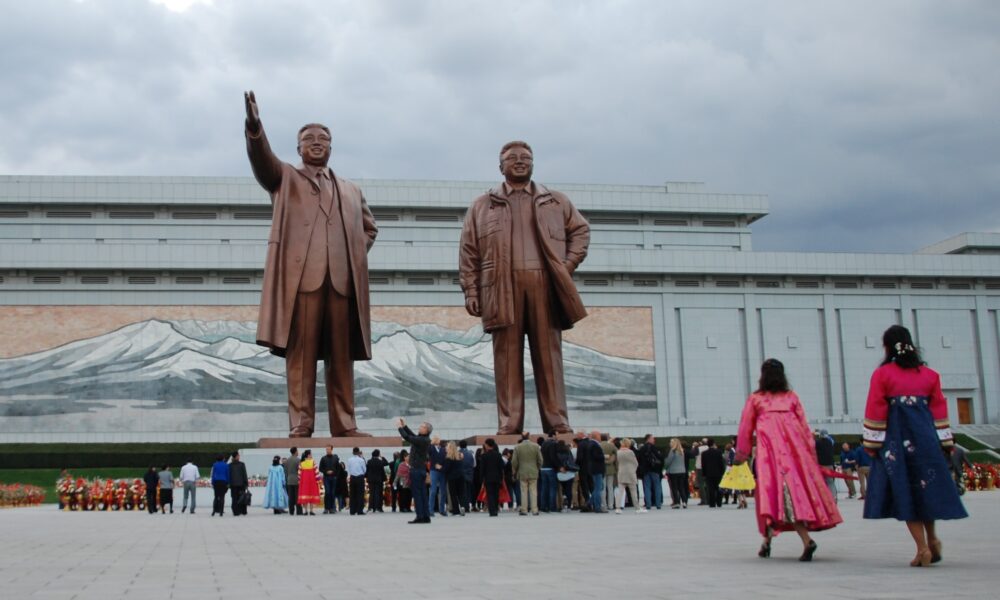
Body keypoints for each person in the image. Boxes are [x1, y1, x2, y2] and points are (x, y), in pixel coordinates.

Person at [243, 90, 378, 438]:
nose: (316, 143)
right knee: (300, 358)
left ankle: (345, 424)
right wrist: (255, 128)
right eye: (309, 139)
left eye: (323, 139)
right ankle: (301, 424)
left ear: (331, 147)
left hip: (341, 283)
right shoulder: (286, 178)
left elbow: (369, 228)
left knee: (341, 358)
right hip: (303, 282)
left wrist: (352, 254)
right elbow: (263, 162)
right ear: (298, 147)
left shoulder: (350, 190)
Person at [459, 140, 591, 435]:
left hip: (545, 286)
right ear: (500, 166)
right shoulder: (483, 205)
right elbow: (469, 251)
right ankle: (509, 422)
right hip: (501, 287)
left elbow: (580, 231)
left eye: (526, 157)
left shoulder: (555, 201)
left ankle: (557, 420)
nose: (520, 161)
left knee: (549, 356)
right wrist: (471, 290)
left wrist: (566, 266)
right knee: (506, 359)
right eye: (512, 158)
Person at [862, 325, 968, 567]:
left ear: (888, 347)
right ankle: (933, 539)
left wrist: (872, 443)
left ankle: (922, 549)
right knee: (925, 489)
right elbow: (939, 409)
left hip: (897, 441)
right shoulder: (930, 375)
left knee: (905, 493)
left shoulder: (883, 374)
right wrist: (945, 441)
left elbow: (876, 408)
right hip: (926, 441)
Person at [736, 358, 842, 561]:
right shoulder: (791, 398)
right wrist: (810, 457)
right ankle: (767, 543)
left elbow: (745, 429)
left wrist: (741, 454)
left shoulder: (756, 399)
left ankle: (804, 540)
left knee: (772, 498)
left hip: (770, 460)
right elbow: (805, 430)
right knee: (793, 497)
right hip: (795, 459)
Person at [397, 417, 433, 524]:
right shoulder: (423, 439)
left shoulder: (422, 440)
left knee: (417, 494)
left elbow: (408, 437)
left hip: (416, 470)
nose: (420, 427)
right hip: (420, 469)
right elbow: (412, 436)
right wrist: (404, 426)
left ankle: (420, 516)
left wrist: (399, 428)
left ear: (426, 430)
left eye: (422, 426)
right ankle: (426, 516)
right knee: (422, 494)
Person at [511, 432, 543, 516]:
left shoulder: (517, 447)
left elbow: (514, 461)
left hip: (522, 471)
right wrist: (537, 467)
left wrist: (515, 469)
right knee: (533, 491)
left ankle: (524, 509)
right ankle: (534, 510)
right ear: (529, 436)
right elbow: (540, 460)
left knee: (523, 491)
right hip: (533, 471)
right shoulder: (536, 446)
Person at [615, 438, 645, 514]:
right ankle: (637, 508)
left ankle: (618, 508)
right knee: (633, 491)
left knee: (620, 491)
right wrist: (633, 469)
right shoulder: (630, 452)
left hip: (621, 473)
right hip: (630, 473)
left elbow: (617, 463)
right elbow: (636, 463)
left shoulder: (618, 452)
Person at [637, 434, 664, 510]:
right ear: (648, 439)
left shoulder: (642, 449)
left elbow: (638, 460)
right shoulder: (654, 448)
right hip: (655, 470)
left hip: (645, 470)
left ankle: (648, 504)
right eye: (653, 438)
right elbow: (661, 458)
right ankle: (658, 504)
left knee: (647, 487)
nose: (654, 440)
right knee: (657, 487)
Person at [480, 439, 505, 517]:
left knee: (490, 494)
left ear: (487, 445)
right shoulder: (498, 455)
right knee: (496, 494)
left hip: (488, 478)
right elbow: (501, 467)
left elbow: (482, 469)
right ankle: (496, 509)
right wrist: (501, 478)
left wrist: (481, 478)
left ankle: (492, 511)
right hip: (497, 477)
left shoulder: (484, 456)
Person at [700, 439, 726, 508]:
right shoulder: (719, 452)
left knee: (710, 489)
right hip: (718, 473)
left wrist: (704, 474)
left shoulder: (704, 453)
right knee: (719, 488)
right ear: (713, 444)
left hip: (709, 473)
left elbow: (703, 465)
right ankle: (719, 502)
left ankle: (712, 503)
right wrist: (723, 472)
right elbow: (721, 463)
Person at [664, 438, 689, 509]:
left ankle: (677, 502)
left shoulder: (673, 451)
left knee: (674, 488)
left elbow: (668, 462)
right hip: (682, 471)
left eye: (671, 442)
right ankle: (684, 502)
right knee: (681, 487)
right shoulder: (681, 451)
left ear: (674, 443)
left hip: (673, 471)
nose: (670, 443)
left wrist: (665, 464)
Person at [444, 441, 466, 516]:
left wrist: (440, 467)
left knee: (453, 494)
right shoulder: (459, 456)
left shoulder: (448, 458)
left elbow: (446, 469)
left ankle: (456, 510)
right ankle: (462, 506)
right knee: (461, 493)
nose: (446, 448)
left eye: (447, 446)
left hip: (452, 478)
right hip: (461, 477)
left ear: (450, 448)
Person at [428, 436, 448, 517]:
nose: (438, 440)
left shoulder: (443, 449)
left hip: (442, 471)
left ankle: (442, 510)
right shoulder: (430, 448)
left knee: (443, 491)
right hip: (433, 471)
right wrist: (431, 443)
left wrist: (442, 467)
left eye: (438, 439)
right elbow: (427, 451)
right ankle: (430, 510)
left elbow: (446, 459)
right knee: (433, 491)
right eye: (436, 439)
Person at [815, 429, 837, 502]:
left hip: (822, 466)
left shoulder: (818, 443)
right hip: (830, 465)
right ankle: (833, 497)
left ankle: (824, 498)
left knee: (822, 482)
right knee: (831, 482)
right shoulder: (830, 442)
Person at [539, 432, 559, 513]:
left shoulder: (543, 444)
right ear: (553, 435)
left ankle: (543, 506)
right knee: (552, 488)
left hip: (543, 468)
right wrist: (558, 466)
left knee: (544, 488)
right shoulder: (553, 444)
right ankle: (552, 506)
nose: (558, 436)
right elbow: (553, 457)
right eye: (557, 435)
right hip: (551, 468)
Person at [297, 449, 320, 515]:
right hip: (312, 481)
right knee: (312, 495)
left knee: (305, 496)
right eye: (311, 454)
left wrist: (299, 481)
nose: (311, 455)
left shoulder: (301, 463)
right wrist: (318, 480)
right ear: (308, 455)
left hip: (304, 482)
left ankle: (305, 511)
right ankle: (311, 511)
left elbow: (299, 473)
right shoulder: (313, 462)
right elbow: (316, 471)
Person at [556, 440, 577, 511]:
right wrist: (567, 468)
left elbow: (555, 461)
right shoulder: (568, 451)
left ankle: (563, 504)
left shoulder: (556, 452)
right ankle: (569, 506)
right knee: (569, 489)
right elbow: (571, 461)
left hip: (560, 473)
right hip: (569, 473)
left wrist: (560, 468)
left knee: (562, 490)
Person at [600, 433, 618, 511]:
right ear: (607, 438)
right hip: (611, 469)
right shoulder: (611, 446)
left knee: (603, 487)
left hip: (601, 469)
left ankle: (604, 504)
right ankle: (611, 504)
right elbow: (617, 455)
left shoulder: (598, 445)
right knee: (610, 487)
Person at [346, 447, 367, 515]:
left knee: (352, 494)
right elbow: (364, 470)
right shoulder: (361, 460)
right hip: (360, 478)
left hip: (352, 478)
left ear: (353, 452)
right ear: (358, 452)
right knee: (360, 494)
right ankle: (359, 510)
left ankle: (352, 510)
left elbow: (348, 469)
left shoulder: (349, 460)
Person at [319, 446, 338, 514]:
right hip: (326, 477)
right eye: (326, 449)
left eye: (329, 449)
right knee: (327, 492)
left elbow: (338, 468)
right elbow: (320, 468)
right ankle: (326, 508)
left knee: (332, 493)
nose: (327, 450)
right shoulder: (323, 458)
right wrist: (326, 471)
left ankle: (332, 508)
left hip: (333, 478)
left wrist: (333, 471)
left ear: (332, 449)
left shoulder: (335, 458)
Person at [229, 451, 249, 516]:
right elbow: (244, 474)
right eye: (238, 455)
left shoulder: (230, 465)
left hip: (233, 485)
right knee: (242, 497)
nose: (239, 456)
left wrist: (229, 484)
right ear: (236, 456)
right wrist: (246, 483)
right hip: (241, 484)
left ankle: (235, 511)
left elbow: (229, 475)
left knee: (234, 498)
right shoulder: (242, 464)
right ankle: (243, 511)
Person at [284, 447, 302, 516]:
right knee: (297, 496)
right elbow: (300, 471)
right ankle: (299, 511)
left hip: (289, 480)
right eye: (297, 451)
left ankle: (291, 511)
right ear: (295, 452)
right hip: (296, 480)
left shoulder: (287, 461)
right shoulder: (298, 460)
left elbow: (285, 471)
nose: (298, 452)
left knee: (290, 497)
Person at [459, 440, 475, 513]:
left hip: (461, 474)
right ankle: (468, 506)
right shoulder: (471, 453)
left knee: (462, 491)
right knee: (468, 491)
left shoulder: (458, 453)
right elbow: (474, 464)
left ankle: (464, 506)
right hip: (469, 474)